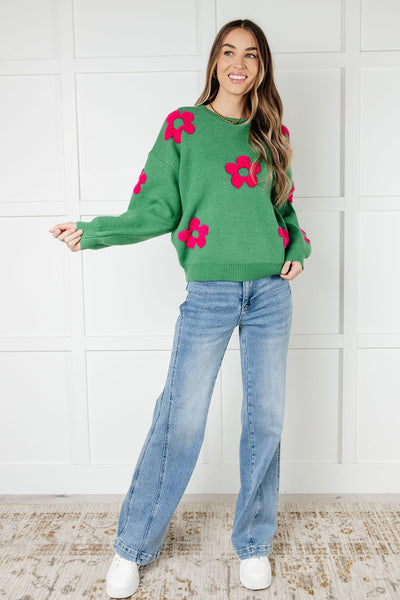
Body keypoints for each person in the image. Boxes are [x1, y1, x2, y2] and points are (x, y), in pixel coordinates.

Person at [49, 18, 311, 598]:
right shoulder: (184, 127)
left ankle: (254, 543)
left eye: (250, 55)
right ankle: (132, 546)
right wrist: (95, 231)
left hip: (271, 293)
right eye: (228, 52)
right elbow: (155, 208)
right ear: (215, 61)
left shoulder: (271, 131)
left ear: (262, 66)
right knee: (180, 419)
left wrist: (297, 247)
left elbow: (284, 209)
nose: (238, 64)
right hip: (209, 294)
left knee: (265, 421)